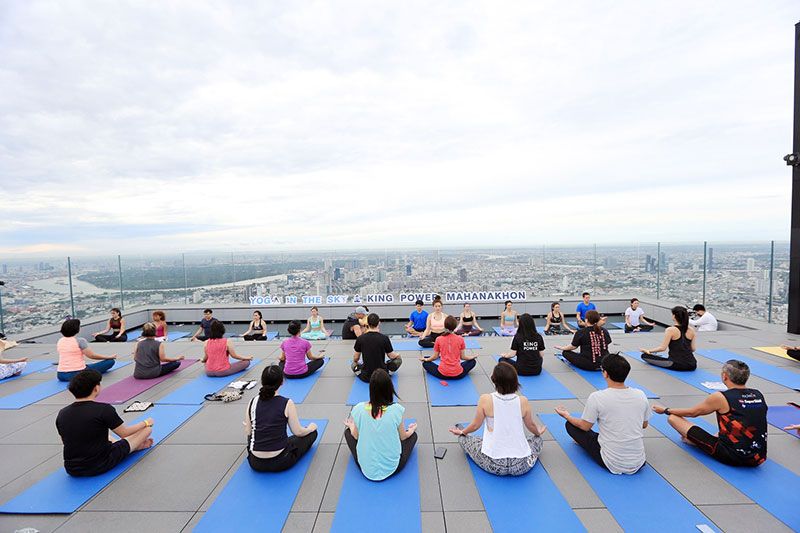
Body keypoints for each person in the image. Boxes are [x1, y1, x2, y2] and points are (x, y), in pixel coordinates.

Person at [652, 360, 768, 467]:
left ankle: (695, 441)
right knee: (736, 423)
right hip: (758, 457)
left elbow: (693, 413)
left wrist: (666, 410)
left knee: (673, 418)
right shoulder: (758, 394)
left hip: (732, 456)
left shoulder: (721, 397)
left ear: (724, 376)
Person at [555, 353, 650, 475]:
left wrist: (566, 416)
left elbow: (584, 426)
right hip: (639, 461)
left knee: (570, 425)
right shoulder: (640, 394)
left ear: (605, 373)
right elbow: (644, 425)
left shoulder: (597, 397)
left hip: (611, 461)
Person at [450, 362, 547, 476]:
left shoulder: (485, 399)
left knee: (464, 439)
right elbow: (531, 425)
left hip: (493, 464)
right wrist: (538, 433)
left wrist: (463, 432)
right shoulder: (523, 401)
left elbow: (475, 425)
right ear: (515, 381)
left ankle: (466, 435)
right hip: (521, 465)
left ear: (494, 380)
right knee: (538, 440)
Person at [56, 369, 154, 477]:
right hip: (100, 464)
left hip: (72, 468)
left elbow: (66, 441)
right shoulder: (103, 409)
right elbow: (124, 433)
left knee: (99, 434)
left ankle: (128, 446)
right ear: (96, 388)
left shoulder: (62, 413)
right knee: (147, 430)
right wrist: (145, 423)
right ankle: (132, 448)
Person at [343, 369, 418, 481]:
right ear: (389, 389)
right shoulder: (396, 410)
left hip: (366, 469)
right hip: (393, 468)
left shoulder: (359, 409)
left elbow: (356, 436)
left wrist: (351, 426)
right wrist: (411, 430)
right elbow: (403, 437)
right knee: (413, 436)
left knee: (347, 433)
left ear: (371, 390)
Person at [244, 365, 319, 472]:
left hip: (255, 462)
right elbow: (298, 432)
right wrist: (311, 428)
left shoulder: (252, 402)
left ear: (262, 382)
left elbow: (248, 431)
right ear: (282, 382)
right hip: (281, 461)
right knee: (312, 434)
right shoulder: (287, 403)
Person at [640, 306, 697, 371]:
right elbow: (693, 349)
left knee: (644, 356)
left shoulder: (670, 330)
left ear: (674, 316)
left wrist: (649, 351)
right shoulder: (691, 330)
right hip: (692, 364)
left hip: (677, 364)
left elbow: (662, 348)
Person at [352, 313, 402, 382]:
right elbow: (391, 356)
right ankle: (388, 373)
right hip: (382, 376)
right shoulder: (384, 338)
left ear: (367, 323)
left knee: (353, 364)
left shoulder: (360, 338)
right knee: (398, 361)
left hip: (366, 377)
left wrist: (357, 363)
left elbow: (356, 358)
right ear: (379, 323)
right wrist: (398, 355)